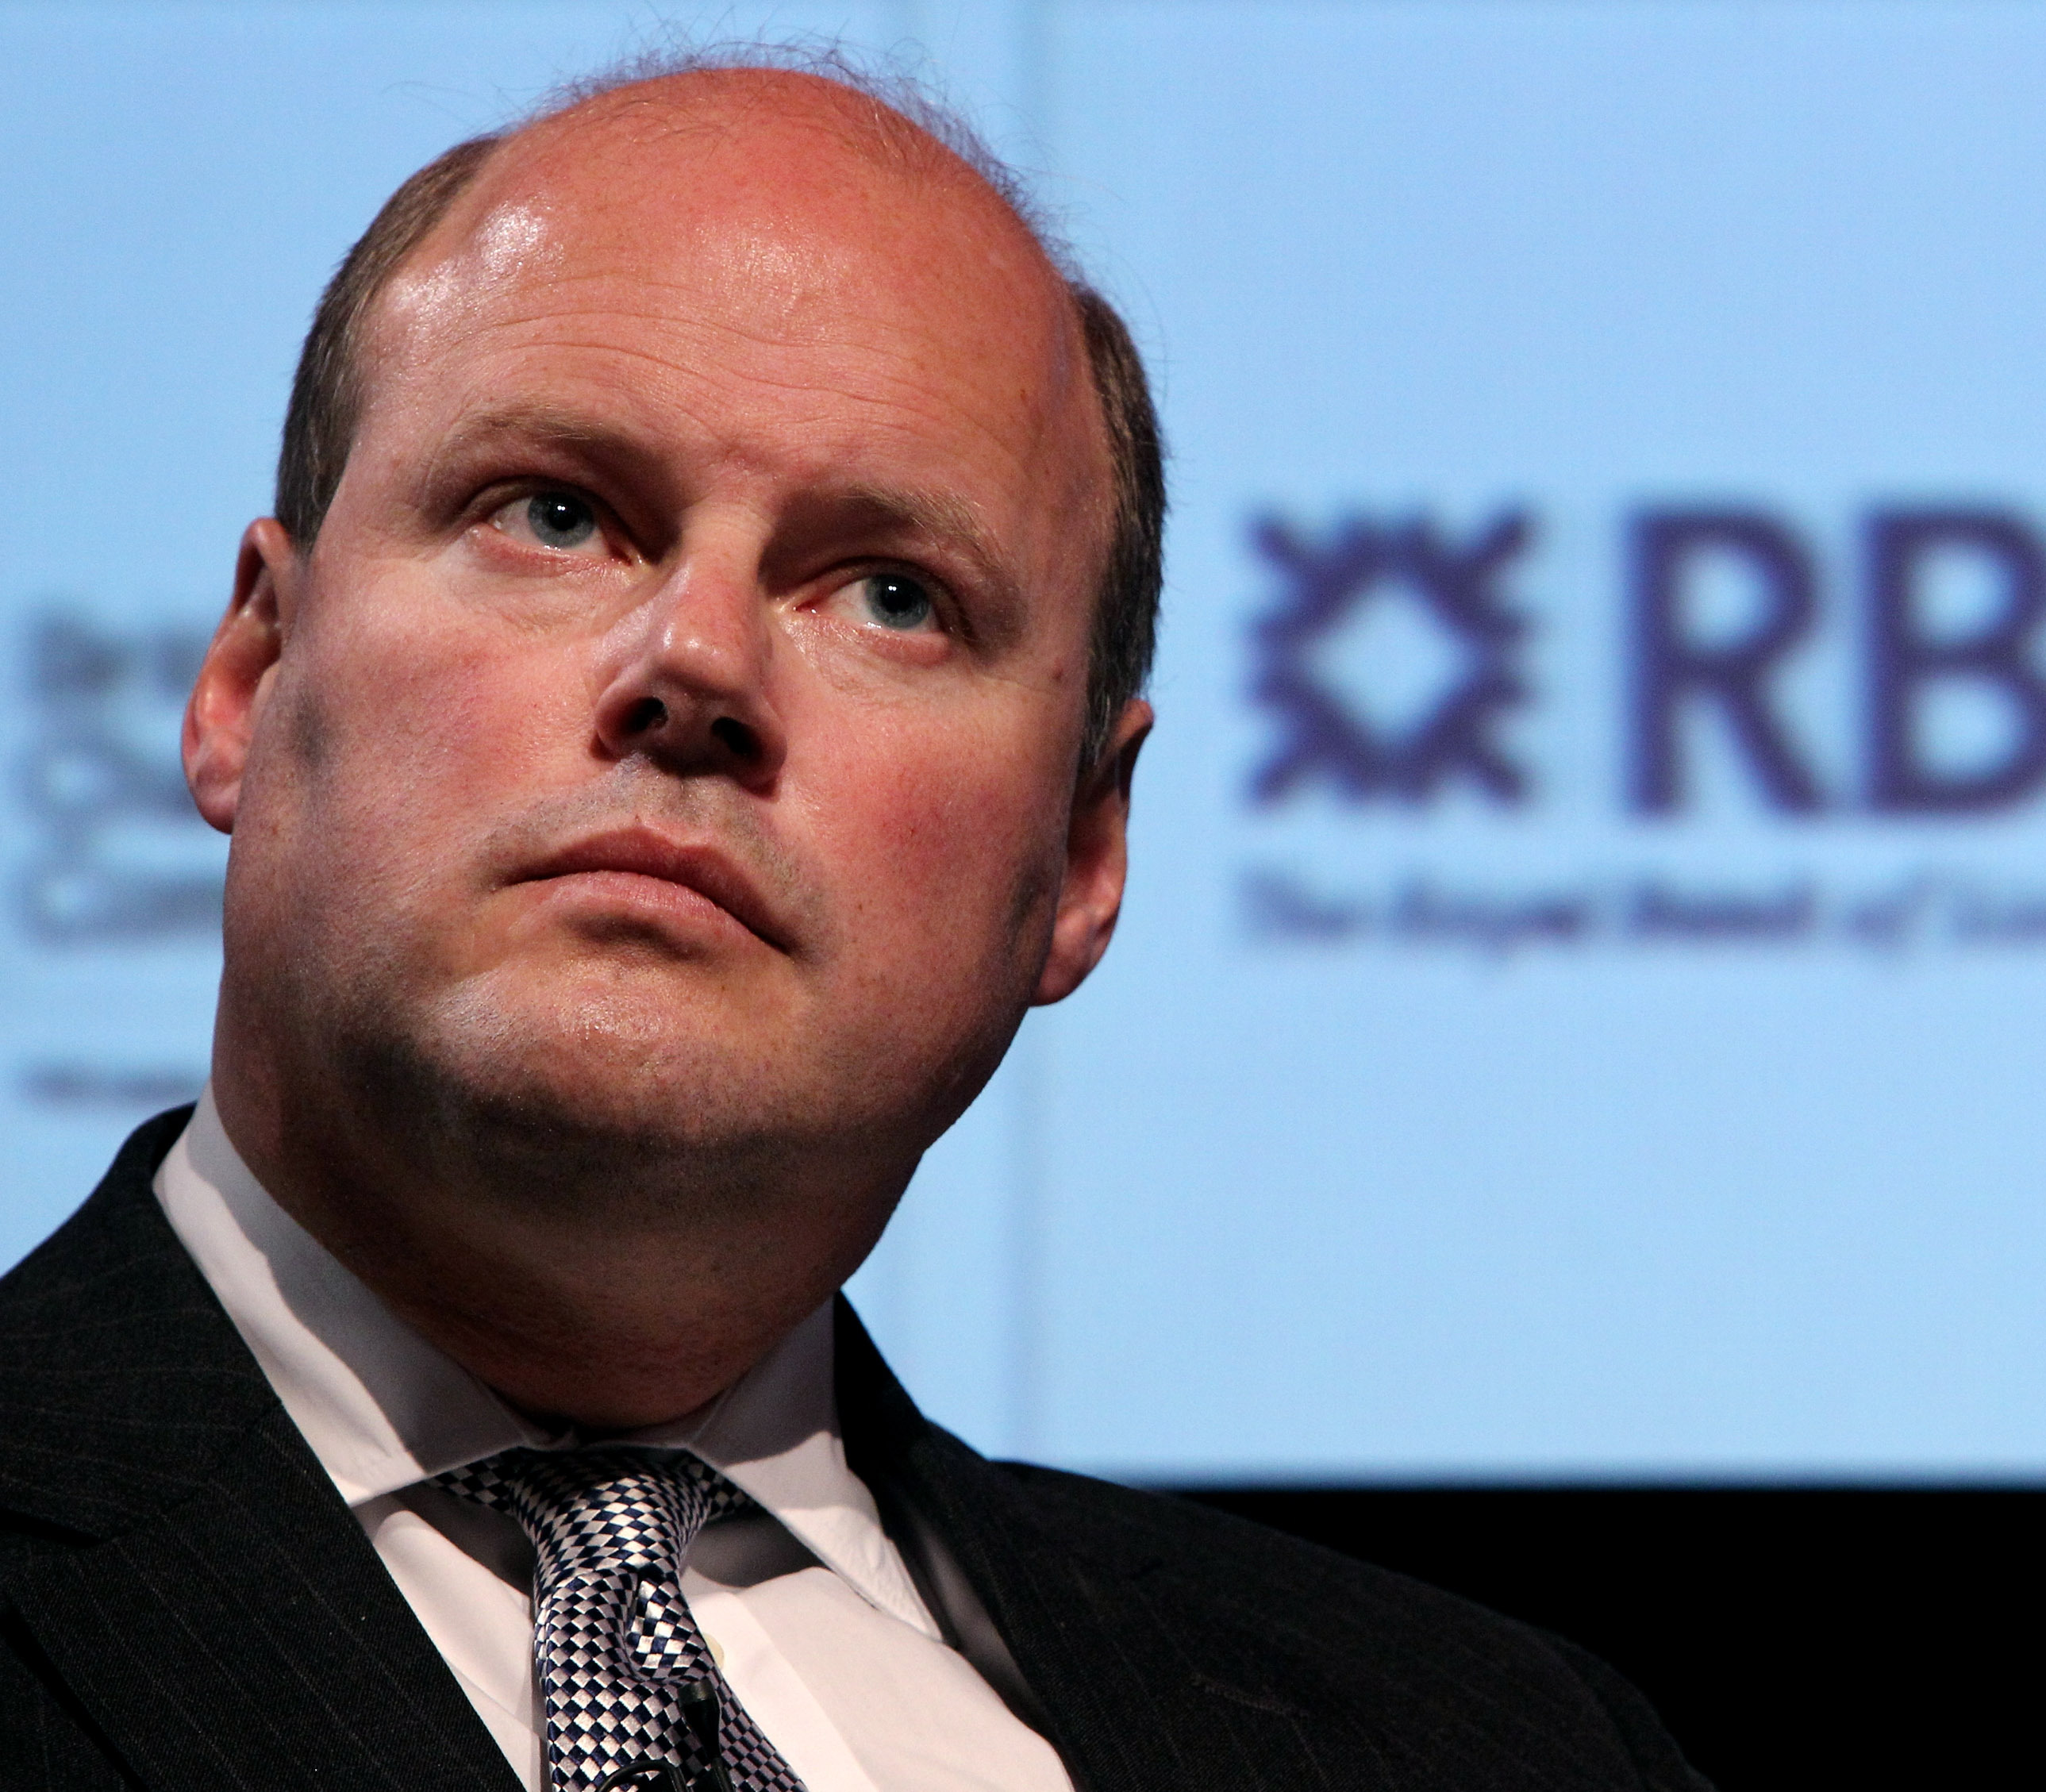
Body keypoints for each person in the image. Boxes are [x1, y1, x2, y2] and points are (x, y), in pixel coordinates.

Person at [0, 52, 1709, 1792]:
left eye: (896, 597)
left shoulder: (1507, 1752)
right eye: (558, 516)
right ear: (251, 675)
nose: (696, 664)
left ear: (1084, 850)